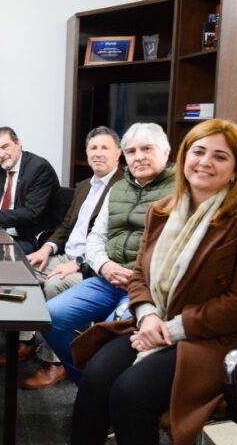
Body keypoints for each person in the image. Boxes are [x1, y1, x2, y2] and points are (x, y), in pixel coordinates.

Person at [69, 119, 237, 445]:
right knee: (96, 379)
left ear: (236, 169)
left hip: (218, 339)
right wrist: (146, 316)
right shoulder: (161, 211)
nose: (204, 161)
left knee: (130, 394)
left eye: (220, 156)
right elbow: (141, 275)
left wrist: (170, 330)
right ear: (185, 157)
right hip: (154, 322)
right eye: (198, 151)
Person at [38, 122, 175, 387]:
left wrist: (137, 275)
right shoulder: (119, 189)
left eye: (147, 149)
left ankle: (104, 392)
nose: (139, 157)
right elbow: (96, 237)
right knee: (52, 316)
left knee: (108, 338)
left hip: (148, 287)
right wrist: (104, 266)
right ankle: (88, 384)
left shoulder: (182, 190)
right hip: (106, 278)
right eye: (132, 151)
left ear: (166, 152)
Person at [0, 127, 123, 387]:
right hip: (64, 254)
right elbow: (65, 226)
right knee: (17, 268)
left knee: (53, 284)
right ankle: (26, 340)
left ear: (118, 153)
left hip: (91, 266)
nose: (97, 154)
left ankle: (54, 362)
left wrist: (76, 264)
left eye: (104, 148)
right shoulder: (85, 186)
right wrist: (47, 248)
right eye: (93, 148)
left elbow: (115, 242)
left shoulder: (122, 189)